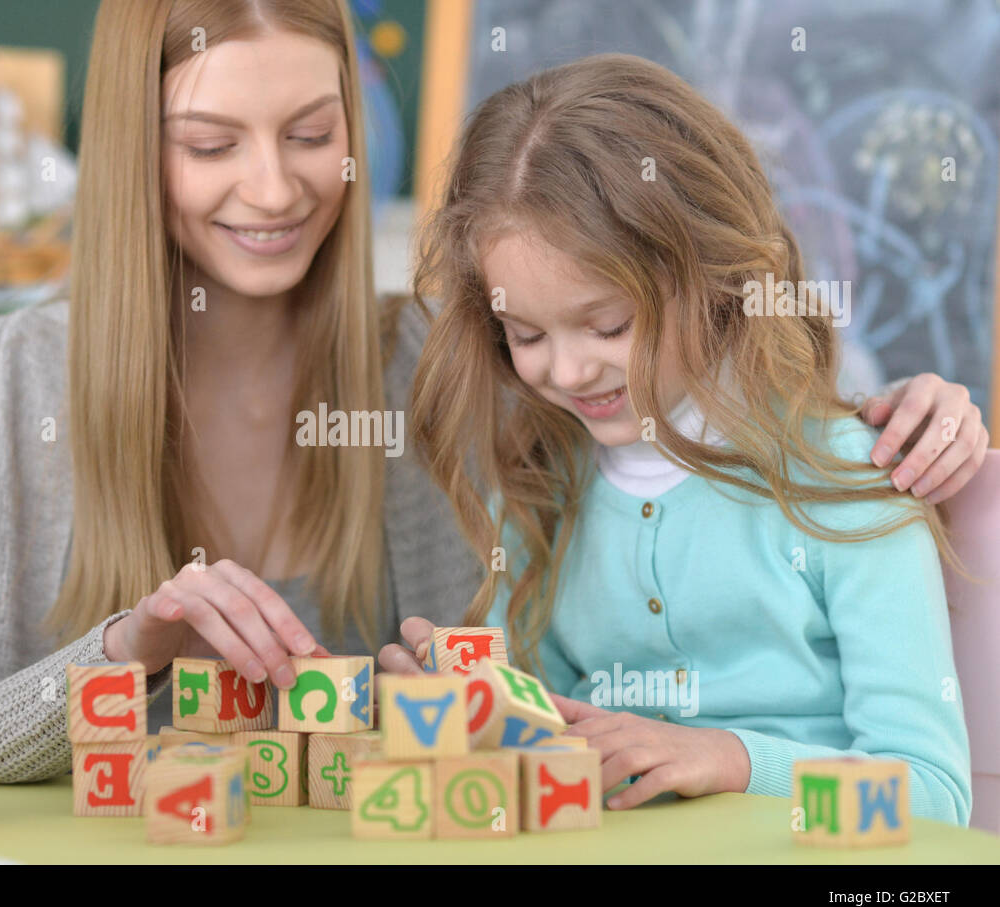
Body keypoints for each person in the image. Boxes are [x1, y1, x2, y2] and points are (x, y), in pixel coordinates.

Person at [0, 1, 987, 784]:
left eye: (314, 136)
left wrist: (924, 410)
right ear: (138, 153)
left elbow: (700, 391)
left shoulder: (456, 364)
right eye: (211, 144)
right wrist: (125, 651)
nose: (273, 188)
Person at [385, 54, 975, 823]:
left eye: (609, 325)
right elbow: (542, 751)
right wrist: (463, 716)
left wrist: (731, 759)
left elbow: (932, 793)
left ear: (716, 276)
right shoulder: (542, 485)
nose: (566, 368)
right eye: (525, 333)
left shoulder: (847, 478)